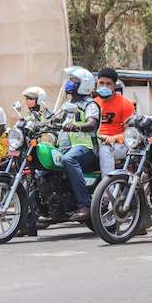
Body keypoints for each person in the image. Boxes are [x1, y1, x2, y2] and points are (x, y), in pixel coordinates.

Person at [94, 67, 152, 234]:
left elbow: (129, 133)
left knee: (106, 150)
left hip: (118, 146)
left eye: (108, 83)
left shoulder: (124, 104)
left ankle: (107, 192)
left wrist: (114, 138)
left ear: (114, 85)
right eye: (101, 83)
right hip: (95, 144)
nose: (104, 85)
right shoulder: (93, 103)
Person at [55, 66, 101, 222]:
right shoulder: (67, 105)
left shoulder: (90, 105)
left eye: (73, 81)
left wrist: (77, 127)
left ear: (83, 84)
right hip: (66, 147)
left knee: (69, 160)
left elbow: (92, 124)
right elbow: (54, 120)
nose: (69, 83)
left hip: (87, 148)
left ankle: (85, 204)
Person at [17, 86, 49, 237]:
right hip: (28, 154)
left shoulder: (47, 115)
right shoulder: (26, 116)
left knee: (32, 187)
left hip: (43, 155)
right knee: (25, 187)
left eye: (31, 98)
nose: (28, 101)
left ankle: (29, 224)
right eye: (27, 99)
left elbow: (52, 127)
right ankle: (27, 224)